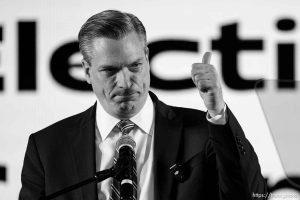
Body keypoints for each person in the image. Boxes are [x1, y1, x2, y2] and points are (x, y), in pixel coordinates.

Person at [19, 10, 267, 200]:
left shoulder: (204, 133)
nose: (126, 82)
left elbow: (251, 195)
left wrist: (218, 112)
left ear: (147, 58)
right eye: (109, 70)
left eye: (135, 66)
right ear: (86, 70)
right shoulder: (47, 148)